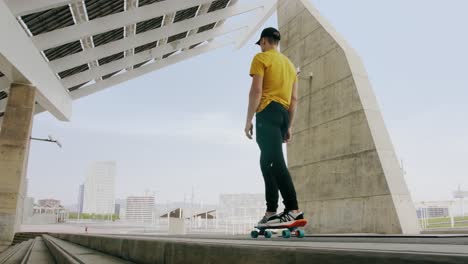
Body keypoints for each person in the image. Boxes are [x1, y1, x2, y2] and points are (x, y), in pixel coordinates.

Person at [244, 27, 305, 226]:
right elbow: (294, 99)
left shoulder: (261, 59)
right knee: (266, 162)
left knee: (276, 162)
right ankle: (271, 211)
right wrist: (289, 126)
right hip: (283, 115)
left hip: (267, 112)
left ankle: (293, 209)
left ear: (263, 41)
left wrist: (248, 119)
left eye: (261, 44)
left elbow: (256, 91)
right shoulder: (290, 65)